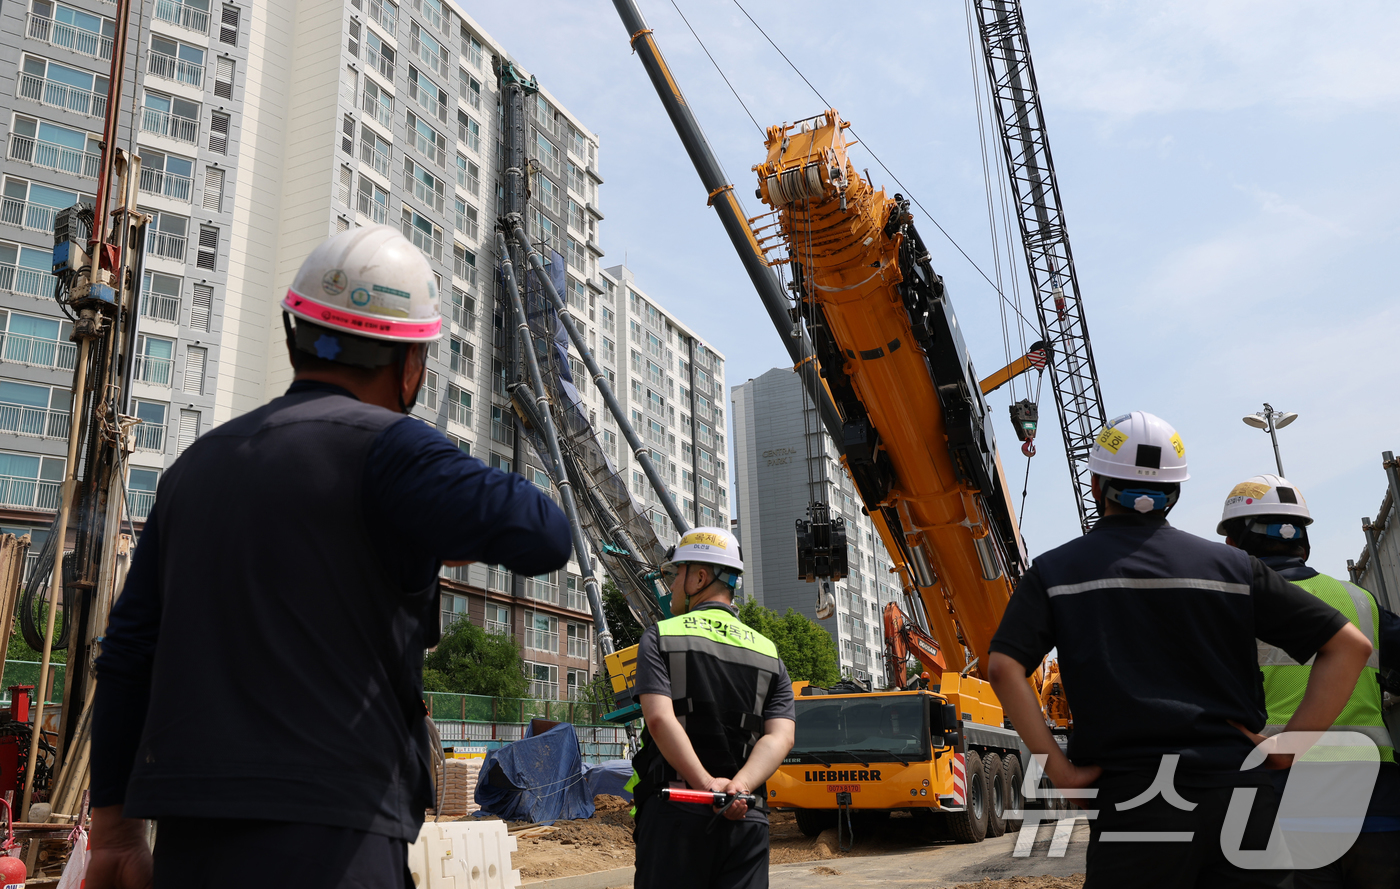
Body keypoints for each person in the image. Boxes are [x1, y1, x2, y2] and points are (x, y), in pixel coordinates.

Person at [86, 226, 573, 889]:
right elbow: (544, 532)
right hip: (334, 836)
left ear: (296, 336)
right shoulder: (395, 451)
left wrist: (115, 834)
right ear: (412, 364)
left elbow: (126, 654)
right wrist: (426, 527)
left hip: (192, 837)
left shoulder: (192, 470)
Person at [986, 411, 1373, 889]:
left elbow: (1004, 667)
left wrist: (1060, 771)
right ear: (1176, 491)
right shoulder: (1233, 568)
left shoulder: (1055, 571)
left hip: (1136, 800)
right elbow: (1350, 647)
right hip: (1241, 796)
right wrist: (1285, 749)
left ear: (1096, 485)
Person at [1219, 474, 1400, 888]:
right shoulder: (1359, 601)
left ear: (1233, 545)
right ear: (1304, 541)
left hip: (1282, 804)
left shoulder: (1227, 609)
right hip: (1375, 805)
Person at [630, 527, 796, 889]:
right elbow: (781, 737)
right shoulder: (770, 653)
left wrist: (708, 785)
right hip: (747, 818)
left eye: (677, 574)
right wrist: (739, 787)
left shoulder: (661, 637)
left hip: (679, 811)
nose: (673, 586)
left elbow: (659, 718)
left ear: (700, 578)